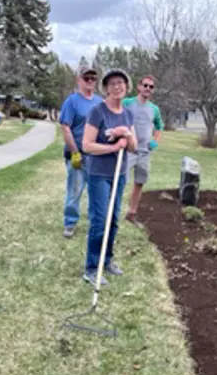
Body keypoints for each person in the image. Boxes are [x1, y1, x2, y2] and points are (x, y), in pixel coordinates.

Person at [82, 69, 138, 286]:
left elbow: (133, 147)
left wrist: (126, 134)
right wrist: (113, 146)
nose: (117, 87)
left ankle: (107, 260)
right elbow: (87, 145)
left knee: (113, 220)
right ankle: (91, 267)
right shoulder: (97, 111)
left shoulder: (127, 114)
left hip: (119, 174)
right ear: (106, 88)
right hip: (99, 175)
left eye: (121, 83)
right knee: (99, 221)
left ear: (126, 87)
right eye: (113, 83)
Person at [59, 65, 103, 238]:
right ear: (78, 80)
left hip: (96, 156)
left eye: (93, 78)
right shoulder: (72, 101)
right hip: (78, 155)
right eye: (86, 78)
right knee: (75, 191)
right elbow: (65, 127)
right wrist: (75, 152)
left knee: (96, 192)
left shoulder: (99, 102)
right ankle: (70, 223)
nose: (90, 81)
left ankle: (96, 223)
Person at [123, 75, 164, 227]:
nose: (147, 88)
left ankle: (132, 213)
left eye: (151, 87)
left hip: (144, 152)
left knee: (139, 182)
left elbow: (159, 127)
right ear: (139, 87)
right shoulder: (127, 103)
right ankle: (112, 211)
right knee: (121, 181)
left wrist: (155, 141)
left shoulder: (154, 109)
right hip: (128, 151)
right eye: (145, 85)